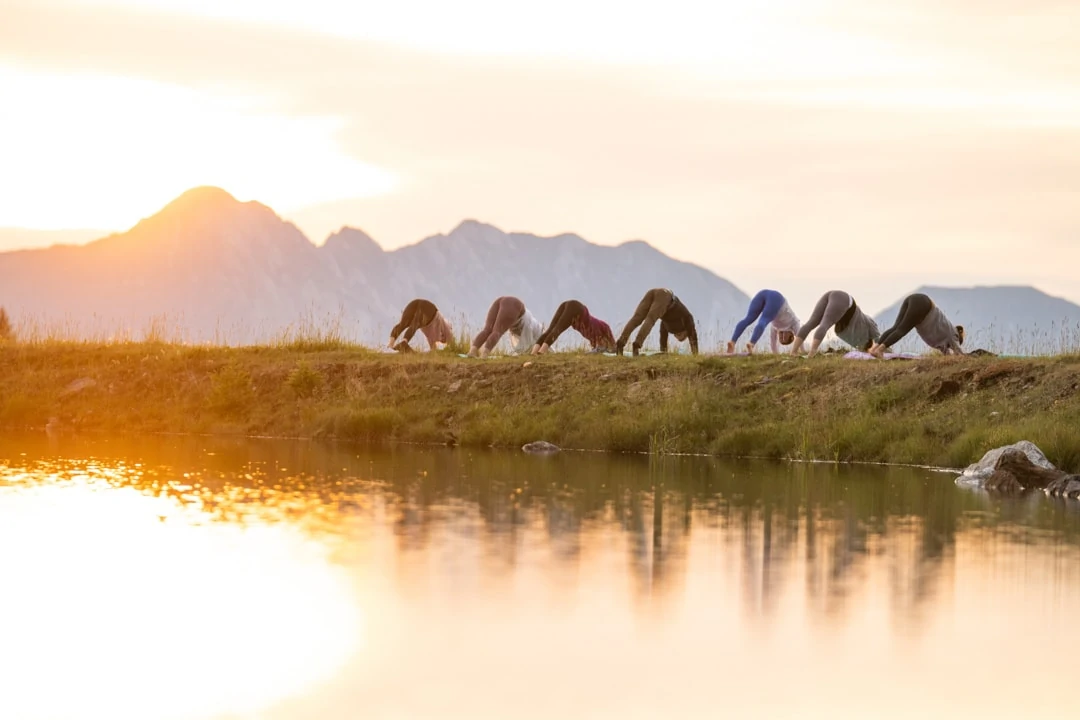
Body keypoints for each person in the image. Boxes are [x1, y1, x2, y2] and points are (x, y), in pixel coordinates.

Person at [869, 293, 964, 357]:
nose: (951, 347)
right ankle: (880, 350)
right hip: (923, 306)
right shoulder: (954, 335)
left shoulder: (944, 337)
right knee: (901, 330)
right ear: (958, 338)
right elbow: (959, 354)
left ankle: (874, 348)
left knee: (895, 327)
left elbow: (947, 355)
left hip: (915, 299)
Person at [790, 290, 879, 356]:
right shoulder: (870, 325)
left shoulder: (856, 337)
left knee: (811, 323)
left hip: (832, 295)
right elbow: (878, 338)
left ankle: (793, 352)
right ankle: (811, 353)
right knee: (824, 325)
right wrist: (882, 350)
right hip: (845, 301)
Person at [614, 288, 698, 356]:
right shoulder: (687, 319)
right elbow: (693, 337)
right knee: (650, 319)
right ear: (685, 331)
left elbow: (663, 337)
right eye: (682, 336)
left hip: (653, 292)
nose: (678, 336)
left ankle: (620, 343)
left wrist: (663, 353)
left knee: (637, 318)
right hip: (666, 296)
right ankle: (637, 345)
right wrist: (695, 356)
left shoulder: (666, 325)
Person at [727, 289, 800, 354]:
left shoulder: (775, 327)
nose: (783, 336)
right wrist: (802, 351)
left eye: (781, 338)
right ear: (791, 335)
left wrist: (776, 355)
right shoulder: (794, 323)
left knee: (748, 319)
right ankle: (751, 343)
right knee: (763, 320)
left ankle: (732, 342)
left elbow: (773, 344)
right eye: (785, 337)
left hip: (763, 293)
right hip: (777, 299)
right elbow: (800, 337)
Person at [469, 296, 544, 357]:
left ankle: (472, 351)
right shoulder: (533, 330)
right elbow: (527, 347)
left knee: (487, 330)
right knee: (497, 331)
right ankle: (484, 355)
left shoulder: (532, 325)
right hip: (513, 306)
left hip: (501, 300)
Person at [531, 300, 615, 354]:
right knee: (557, 330)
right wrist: (611, 349)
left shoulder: (594, 340)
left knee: (551, 330)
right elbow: (614, 347)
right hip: (577, 309)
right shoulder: (604, 328)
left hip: (569, 306)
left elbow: (596, 350)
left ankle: (533, 354)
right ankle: (541, 353)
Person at [387, 299, 452, 352]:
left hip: (415, 303)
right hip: (430, 309)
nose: (442, 339)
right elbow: (452, 344)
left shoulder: (431, 337)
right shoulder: (447, 328)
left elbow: (433, 350)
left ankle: (390, 345)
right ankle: (404, 342)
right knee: (415, 324)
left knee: (403, 324)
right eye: (443, 339)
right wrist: (449, 350)